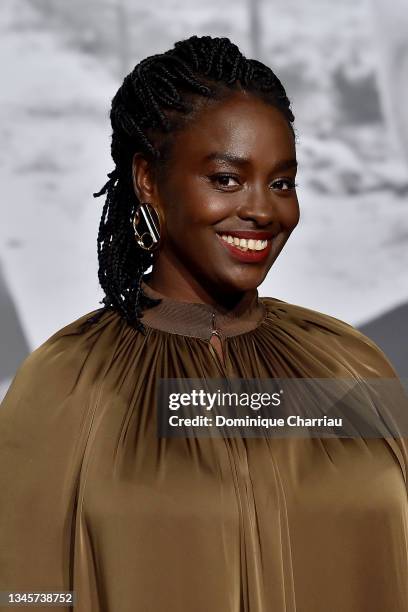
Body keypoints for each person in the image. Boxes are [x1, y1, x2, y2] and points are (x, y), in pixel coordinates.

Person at [0, 35, 407, 612]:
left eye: (282, 182)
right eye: (225, 178)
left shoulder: (351, 365)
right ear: (148, 181)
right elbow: (24, 593)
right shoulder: (66, 383)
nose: (264, 210)